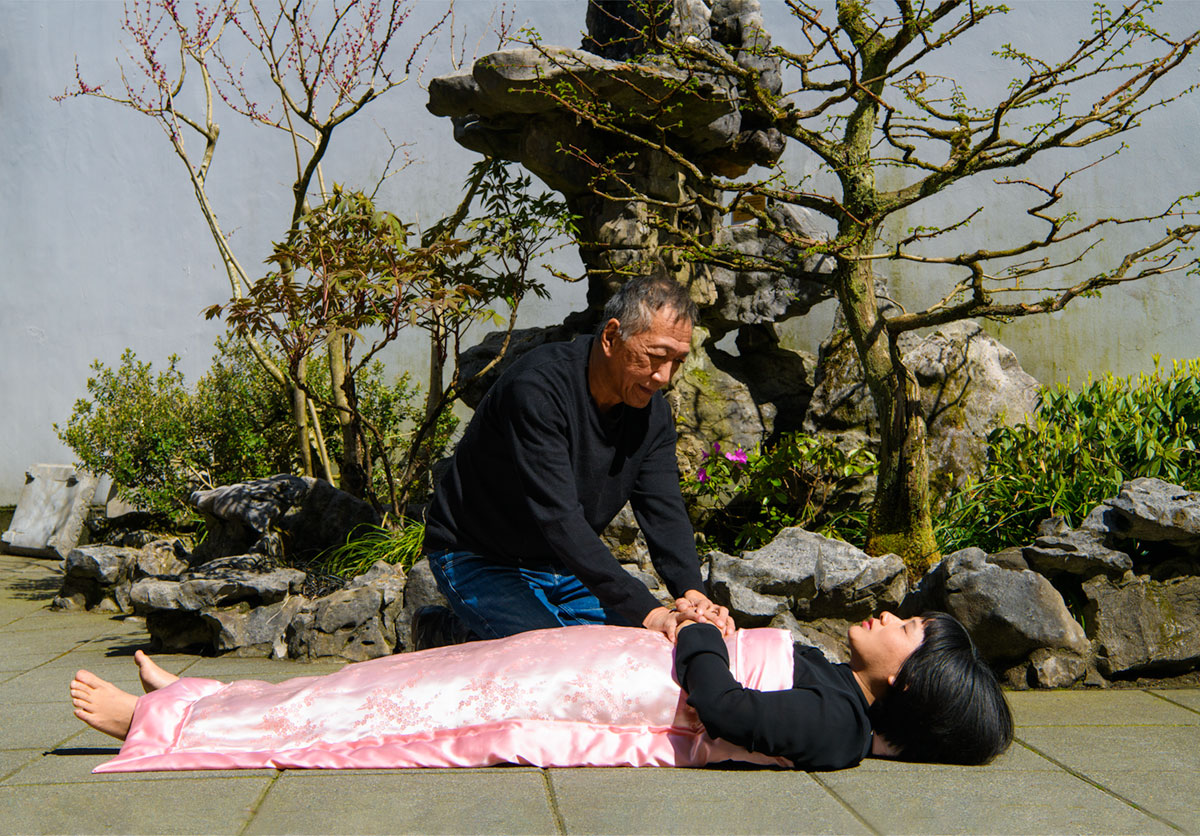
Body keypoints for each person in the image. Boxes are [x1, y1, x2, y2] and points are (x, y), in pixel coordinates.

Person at [69, 610, 1013, 773]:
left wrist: (694, 636)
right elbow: (731, 669)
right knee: (388, 680)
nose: (902, 617)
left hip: (590, 702)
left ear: (910, 679)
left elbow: (726, 712)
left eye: (916, 633)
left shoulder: (837, 726)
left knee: (384, 719)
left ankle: (155, 722)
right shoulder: (835, 685)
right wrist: (709, 624)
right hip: (595, 667)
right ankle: (198, 692)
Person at [421, 275, 731, 643]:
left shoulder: (652, 414)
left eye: (677, 362)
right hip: (478, 556)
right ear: (612, 337)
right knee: (552, 660)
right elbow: (558, 516)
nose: (663, 376)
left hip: (563, 565)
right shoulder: (538, 390)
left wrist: (691, 594)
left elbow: (664, 510)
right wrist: (651, 612)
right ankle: (450, 632)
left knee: (642, 649)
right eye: (656, 356)